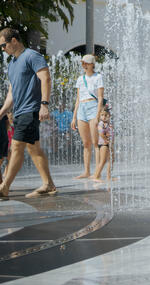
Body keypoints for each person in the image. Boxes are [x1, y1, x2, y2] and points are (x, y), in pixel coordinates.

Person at [0, 28, 57, 198]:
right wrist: (2, 112)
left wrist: (44, 104)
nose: (2, 49)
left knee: (16, 146)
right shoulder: (12, 64)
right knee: (34, 148)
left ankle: (4, 187)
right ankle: (48, 184)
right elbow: (12, 93)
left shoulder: (32, 56)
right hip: (19, 112)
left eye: (4, 45)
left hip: (30, 109)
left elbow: (45, 78)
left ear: (14, 41)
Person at [71, 54, 105, 180]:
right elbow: (78, 99)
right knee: (86, 143)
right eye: (82, 63)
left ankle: (97, 172)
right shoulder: (80, 79)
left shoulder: (98, 77)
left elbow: (100, 97)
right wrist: (74, 117)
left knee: (96, 142)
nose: (83, 65)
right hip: (82, 109)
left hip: (93, 106)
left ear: (91, 64)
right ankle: (86, 171)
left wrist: (97, 115)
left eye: (85, 63)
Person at [91, 106, 113, 182]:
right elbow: (101, 133)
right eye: (102, 115)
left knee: (111, 160)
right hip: (103, 144)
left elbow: (111, 134)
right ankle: (96, 176)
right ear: (100, 116)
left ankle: (109, 176)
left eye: (106, 115)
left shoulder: (109, 124)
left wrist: (111, 143)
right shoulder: (100, 124)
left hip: (109, 144)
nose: (104, 117)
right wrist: (106, 140)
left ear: (109, 116)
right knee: (103, 161)